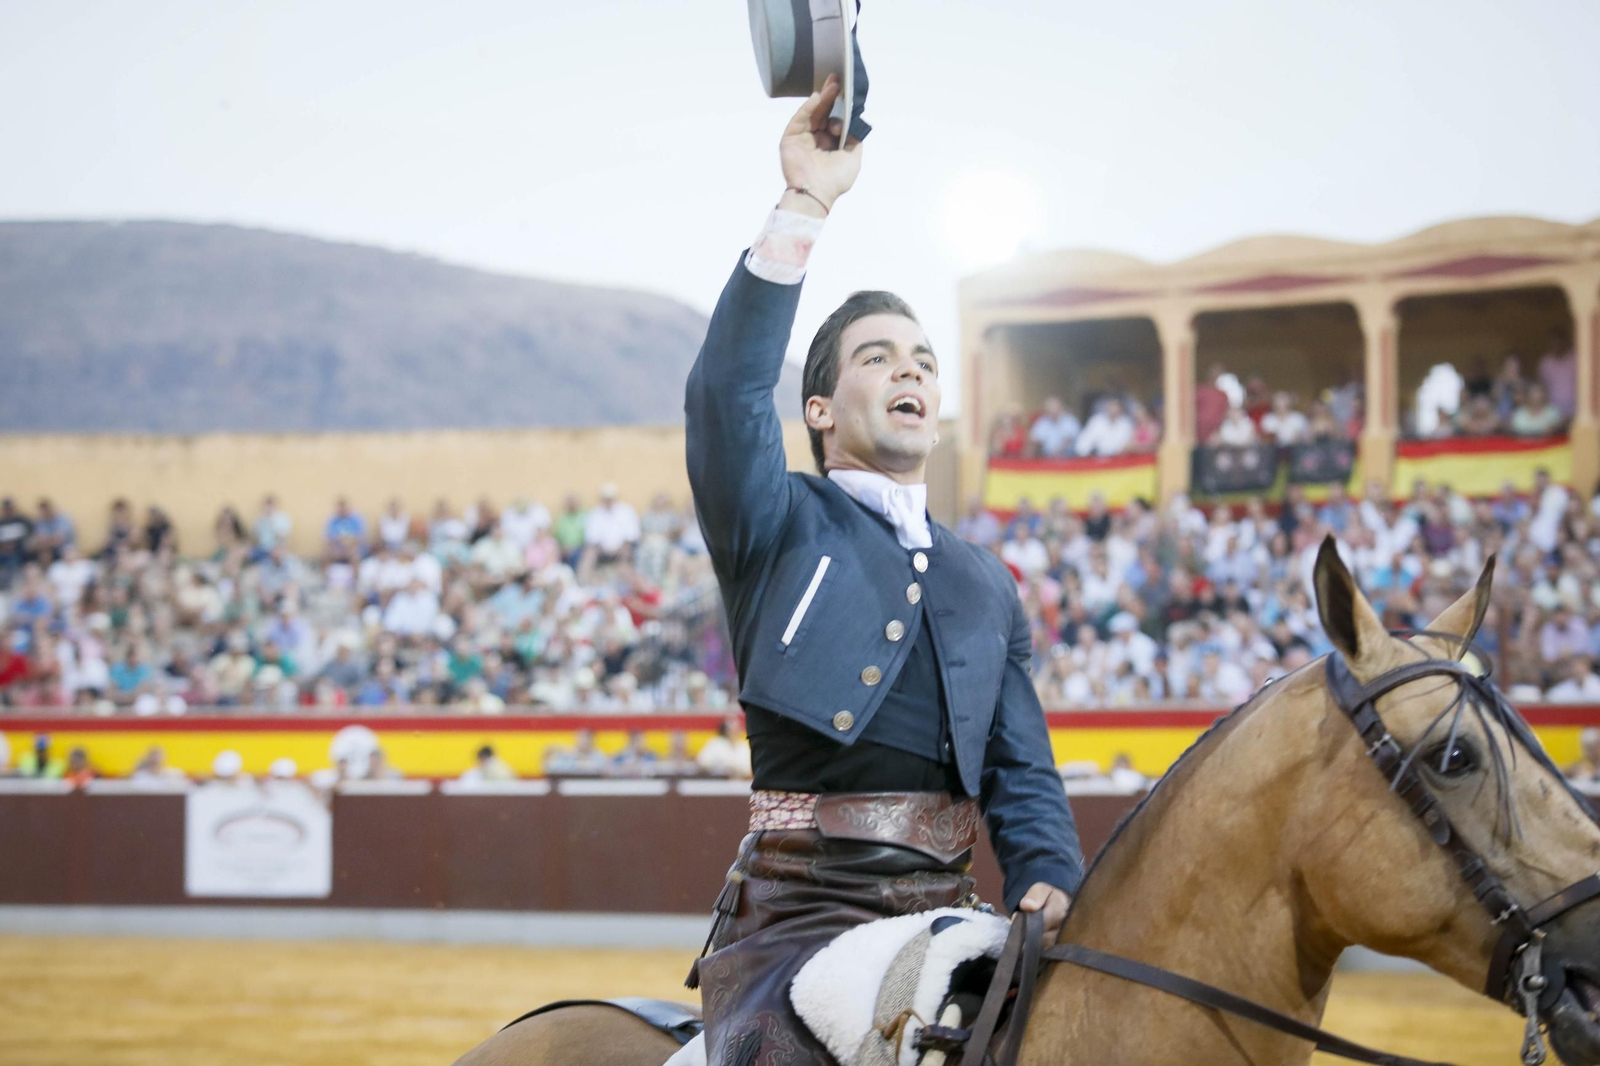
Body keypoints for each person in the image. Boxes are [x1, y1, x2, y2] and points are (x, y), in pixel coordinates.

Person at [682, 79, 1082, 1066]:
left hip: (949, 912)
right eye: (875, 357)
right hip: (796, 922)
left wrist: (1051, 873)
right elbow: (725, 391)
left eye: (921, 359)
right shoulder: (774, 520)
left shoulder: (984, 580)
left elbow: (1021, 765)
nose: (908, 371)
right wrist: (804, 204)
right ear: (817, 409)